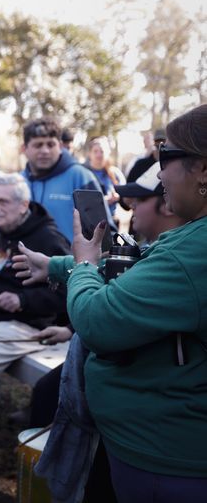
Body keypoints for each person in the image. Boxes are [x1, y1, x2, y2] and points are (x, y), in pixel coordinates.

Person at [30, 105, 207, 502]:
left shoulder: (193, 252)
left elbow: (96, 321)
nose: (160, 173)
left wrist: (82, 266)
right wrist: (60, 265)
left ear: (204, 170)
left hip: (168, 465)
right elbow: (138, 268)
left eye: (166, 156)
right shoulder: (191, 242)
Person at [0, 173, 70, 475]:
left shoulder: (47, 239)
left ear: (23, 204)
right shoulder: (5, 230)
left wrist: (23, 300)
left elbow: (71, 292)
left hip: (28, 328)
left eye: (3, 201)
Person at [20, 117, 102, 242]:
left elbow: (103, 233)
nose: (45, 151)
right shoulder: (18, 182)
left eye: (50, 144)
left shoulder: (81, 177)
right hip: (23, 260)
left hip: (71, 261)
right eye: (38, 145)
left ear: (60, 146)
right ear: (24, 148)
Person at [84, 136, 125, 217]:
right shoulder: (83, 174)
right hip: (89, 222)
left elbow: (125, 198)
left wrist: (118, 197)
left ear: (108, 153)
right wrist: (104, 201)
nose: (99, 155)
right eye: (95, 151)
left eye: (102, 151)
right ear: (89, 154)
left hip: (111, 221)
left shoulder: (115, 173)